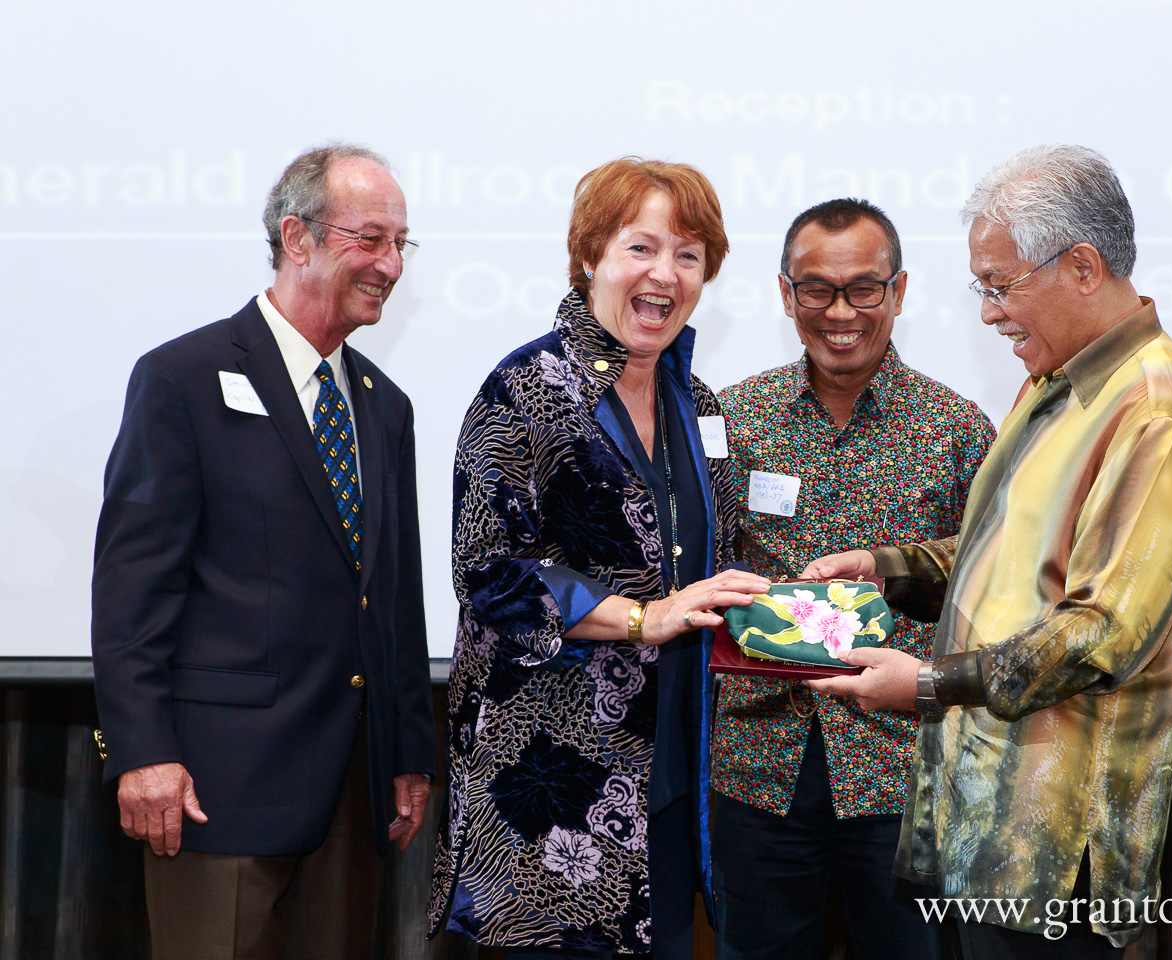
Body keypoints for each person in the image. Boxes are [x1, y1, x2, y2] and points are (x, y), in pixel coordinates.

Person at [805, 145, 1172, 957]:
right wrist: (883, 570)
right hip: (980, 833)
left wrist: (927, 683)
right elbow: (1004, 556)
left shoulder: (1154, 411)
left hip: (1055, 852)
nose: (990, 312)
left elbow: (1102, 630)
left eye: (1001, 286)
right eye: (982, 288)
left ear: (1080, 266)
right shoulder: (1056, 383)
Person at [90, 143, 435, 959]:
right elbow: (134, 586)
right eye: (371, 239)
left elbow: (393, 597)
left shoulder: (384, 407)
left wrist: (408, 750)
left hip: (354, 794)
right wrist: (143, 752)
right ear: (297, 237)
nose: (390, 264)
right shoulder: (183, 376)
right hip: (218, 788)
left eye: (401, 245)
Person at [429, 157, 770, 959]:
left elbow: (714, 569)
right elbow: (487, 572)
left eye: (688, 257)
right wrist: (643, 618)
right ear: (590, 257)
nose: (665, 275)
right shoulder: (525, 388)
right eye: (642, 248)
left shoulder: (701, 405)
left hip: (674, 784)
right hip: (554, 796)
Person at [709, 198, 993, 960]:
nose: (841, 312)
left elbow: (992, 586)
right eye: (818, 289)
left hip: (904, 770)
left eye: (864, 289)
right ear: (785, 293)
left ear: (897, 292)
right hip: (756, 763)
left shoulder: (957, 428)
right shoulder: (733, 419)